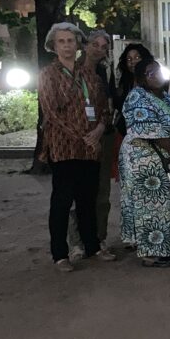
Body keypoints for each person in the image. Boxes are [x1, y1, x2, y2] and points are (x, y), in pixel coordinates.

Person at [38, 23, 117, 272]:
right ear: (53, 46)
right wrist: (82, 135)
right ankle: (60, 255)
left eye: (70, 41)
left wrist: (99, 130)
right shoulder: (48, 75)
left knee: (87, 200)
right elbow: (51, 113)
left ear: (78, 44)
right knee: (62, 202)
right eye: (61, 41)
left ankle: (92, 246)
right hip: (63, 148)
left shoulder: (90, 76)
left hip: (90, 148)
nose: (67, 46)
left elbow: (104, 109)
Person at [119, 59, 170, 267]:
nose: (156, 76)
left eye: (158, 71)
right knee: (153, 207)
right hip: (148, 159)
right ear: (141, 78)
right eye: (150, 73)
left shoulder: (166, 98)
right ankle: (154, 252)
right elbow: (146, 126)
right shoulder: (137, 97)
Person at [66, 29, 116, 256]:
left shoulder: (106, 72)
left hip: (102, 134)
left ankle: (99, 238)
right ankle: (76, 241)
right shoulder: (71, 70)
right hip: (77, 138)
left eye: (104, 46)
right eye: (95, 45)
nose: (99, 50)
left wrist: (101, 129)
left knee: (102, 192)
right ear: (85, 46)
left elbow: (109, 103)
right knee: (79, 190)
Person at [115, 43, 152, 136]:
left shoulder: (153, 81)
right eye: (129, 59)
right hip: (126, 134)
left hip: (149, 133)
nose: (133, 62)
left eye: (137, 57)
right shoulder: (125, 82)